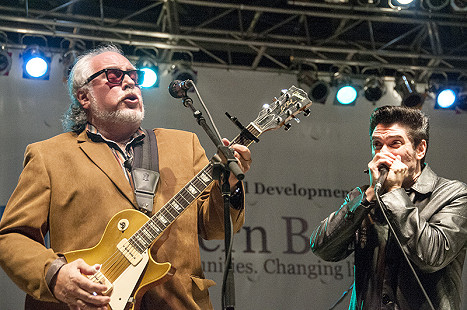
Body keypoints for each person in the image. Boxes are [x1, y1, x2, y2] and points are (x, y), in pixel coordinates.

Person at [0, 45, 252, 310]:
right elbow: (12, 236)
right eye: (113, 76)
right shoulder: (49, 155)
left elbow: (215, 228)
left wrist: (230, 186)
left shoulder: (184, 145)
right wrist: (55, 275)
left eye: (134, 75)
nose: (130, 81)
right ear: (84, 97)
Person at [310, 106, 467, 310]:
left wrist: (394, 192)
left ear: (420, 149)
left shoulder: (454, 194)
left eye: (395, 144)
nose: (383, 154)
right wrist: (368, 197)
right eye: (377, 145)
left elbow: (431, 257)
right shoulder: (363, 197)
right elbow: (323, 249)